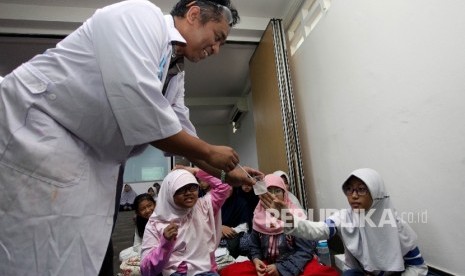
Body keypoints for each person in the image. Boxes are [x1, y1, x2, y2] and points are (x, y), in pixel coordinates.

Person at [0, 0, 261, 274]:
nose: (216, 49)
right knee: (32, 253)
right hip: (39, 135)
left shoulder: (175, 71)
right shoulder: (140, 17)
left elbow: (182, 129)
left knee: (85, 255)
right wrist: (210, 153)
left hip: (92, 164)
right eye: (217, 38)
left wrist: (229, 174)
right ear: (194, 13)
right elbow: (140, 110)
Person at [262, 168, 428, 276]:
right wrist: (286, 216)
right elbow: (317, 230)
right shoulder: (343, 217)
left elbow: (418, 267)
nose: (353, 195)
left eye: (361, 189)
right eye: (349, 189)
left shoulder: (396, 226)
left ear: (377, 193)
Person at [220, 174, 337, 276]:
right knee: (230, 272)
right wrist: (256, 260)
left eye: (277, 191)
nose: (273, 195)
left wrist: (280, 268)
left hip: (295, 264)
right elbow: (254, 246)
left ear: (284, 194)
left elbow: (305, 251)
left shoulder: (296, 215)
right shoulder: (258, 214)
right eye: (269, 191)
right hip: (268, 265)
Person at [140, 167, 231, 276]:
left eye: (193, 187)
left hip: (206, 271)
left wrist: (196, 171)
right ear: (170, 192)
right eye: (181, 189)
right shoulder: (156, 223)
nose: (188, 193)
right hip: (176, 273)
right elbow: (146, 270)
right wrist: (165, 243)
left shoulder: (203, 207)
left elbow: (224, 186)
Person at [119, 193, 157, 275]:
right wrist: (146, 252)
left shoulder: (163, 217)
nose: (147, 210)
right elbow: (137, 244)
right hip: (146, 250)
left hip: (161, 250)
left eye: (149, 205)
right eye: (143, 209)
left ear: (155, 204)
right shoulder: (140, 222)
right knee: (122, 254)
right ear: (138, 213)